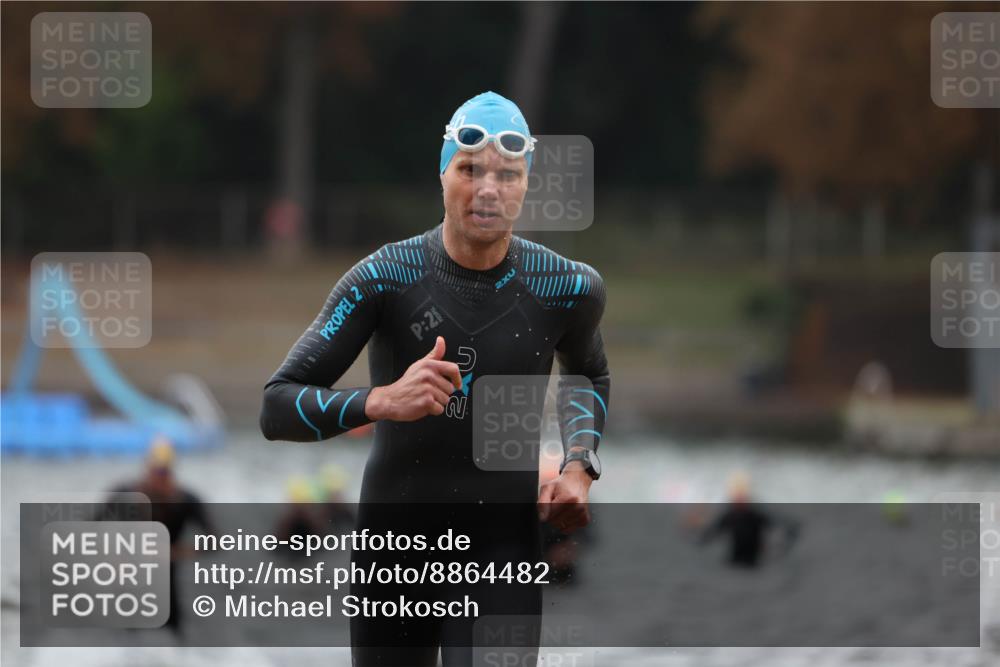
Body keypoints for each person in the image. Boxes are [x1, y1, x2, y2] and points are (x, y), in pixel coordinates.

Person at [260, 91, 610, 666]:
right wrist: (378, 400)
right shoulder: (385, 277)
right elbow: (276, 406)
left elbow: (588, 373)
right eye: (470, 170)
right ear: (443, 172)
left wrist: (579, 465)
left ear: (527, 186)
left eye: (508, 174)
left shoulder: (566, 287)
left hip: (503, 553)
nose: (488, 188)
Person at [104, 436, 213, 635]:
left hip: (168, 580)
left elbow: (216, 540)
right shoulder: (124, 494)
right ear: (146, 468)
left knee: (174, 631)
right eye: (156, 472)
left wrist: (178, 552)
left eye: (165, 473)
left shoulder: (186, 500)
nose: (160, 479)